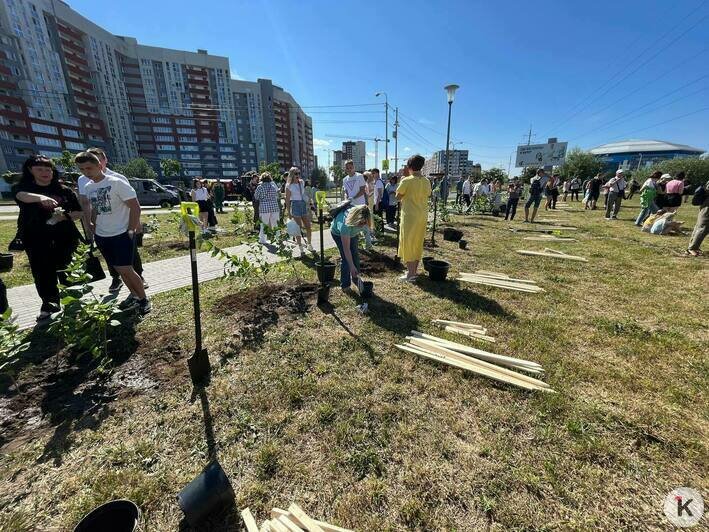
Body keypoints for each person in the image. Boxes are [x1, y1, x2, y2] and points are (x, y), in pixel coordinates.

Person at [76, 151, 150, 315]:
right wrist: (91, 223)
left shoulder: (116, 182)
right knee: (119, 269)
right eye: (82, 170)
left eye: (89, 168)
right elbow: (95, 206)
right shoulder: (89, 186)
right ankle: (136, 296)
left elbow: (135, 207)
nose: (86, 172)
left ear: (99, 165)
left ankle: (144, 299)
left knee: (127, 268)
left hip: (121, 233)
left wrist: (131, 229)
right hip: (103, 236)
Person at [13, 155, 82, 320]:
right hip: (36, 238)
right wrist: (41, 197)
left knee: (67, 269)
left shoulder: (64, 190)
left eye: (48, 169)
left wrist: (64, 216)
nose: (45, 172)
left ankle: (73, 302)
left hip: (65, 238)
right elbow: (21, 196)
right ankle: (50, 303)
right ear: (31, 170)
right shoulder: (23, 188)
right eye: (40, 169)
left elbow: (78, 212)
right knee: (42, 272)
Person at [396, 154, 432, 282]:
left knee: (408, 242)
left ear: (409, 166)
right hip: (422, 215)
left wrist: (402, 180)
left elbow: (398, 197)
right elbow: (428, 194)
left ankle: (410, 275)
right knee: (417, 242)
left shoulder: (406, 180)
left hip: (410, 216)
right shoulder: (426, 181)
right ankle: (413, 271)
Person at [330, 204, 371, 290]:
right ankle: (345, 285)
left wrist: (368, 242)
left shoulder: (365, 217)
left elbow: (367, 229)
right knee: (346, 258)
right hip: (337, 234)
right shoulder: (345, 225)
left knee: (355, 254)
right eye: (360, 223)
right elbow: (346, 249)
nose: (362, 225)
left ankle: (356, 278)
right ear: (355, 219)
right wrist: (351, 266)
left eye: (364, 222)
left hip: (352, 233)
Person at [285, 166, 313, 252]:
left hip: (303, 204)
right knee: (298, 228)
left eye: (299, 173)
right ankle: (301, 247)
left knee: (308, 226)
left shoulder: (301, 182)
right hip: (295, 205)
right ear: (292, 174)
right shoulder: (289, 186)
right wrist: (289, 212)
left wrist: (309, 201)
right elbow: (287, 199)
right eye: (296, 173)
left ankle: (309, 244)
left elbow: (303, 194)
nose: (298, 175)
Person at [254, 172, 280, 244]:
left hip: (264, 208)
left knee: (264, 225)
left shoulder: (260, 187)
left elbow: (256, 197)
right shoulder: (273, 186)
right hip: (274, 207)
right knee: (275, 224)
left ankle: (263, 240)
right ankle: (278, 238)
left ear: (261, 179)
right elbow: (277, 196)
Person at [687, 180, 709, 256]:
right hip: (707, 206)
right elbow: (707, 188)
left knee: (700, 227)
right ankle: (692, 248)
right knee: (703, 227)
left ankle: (693, 247)